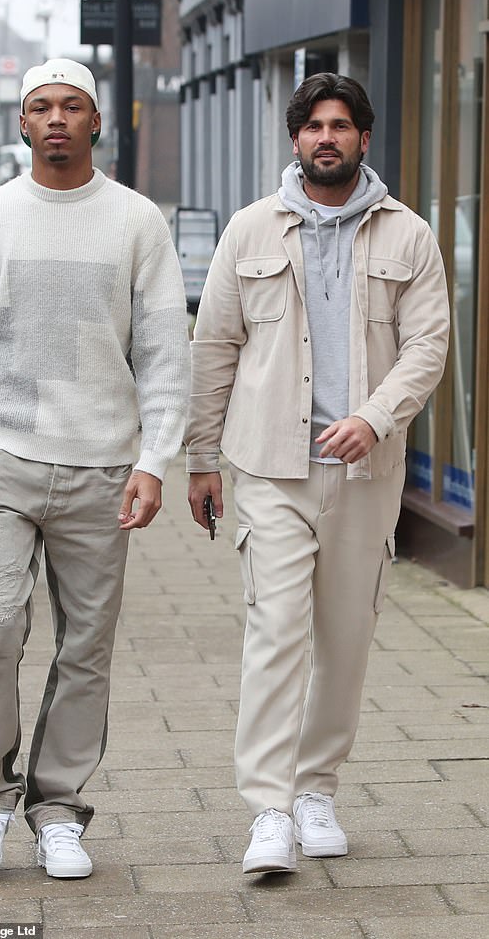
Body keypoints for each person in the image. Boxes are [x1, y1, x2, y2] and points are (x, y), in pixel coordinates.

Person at [0, 58, 190, 882]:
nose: (57, 118)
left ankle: (58, 807)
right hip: (1, 458)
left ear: (96, 122)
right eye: (41, 106)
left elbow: (166, 350)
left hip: (103, 464)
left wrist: (157, 459)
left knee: (87, 646)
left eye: (72, 105)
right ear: (22, 124)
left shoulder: (137, 222)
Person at [186, 73, 450, 875]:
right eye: (313, 126)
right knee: (275, 632)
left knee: (345, 637)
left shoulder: (409, 235)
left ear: (364, 139)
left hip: (366, 473)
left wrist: (374, 416)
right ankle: (268, 806)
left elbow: (428, 346)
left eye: (341, 125)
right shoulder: (248, 231)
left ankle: (315, 790)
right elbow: (214, 347)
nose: (326, 137)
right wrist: (200, 456)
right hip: (269, 466)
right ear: (295, 139)